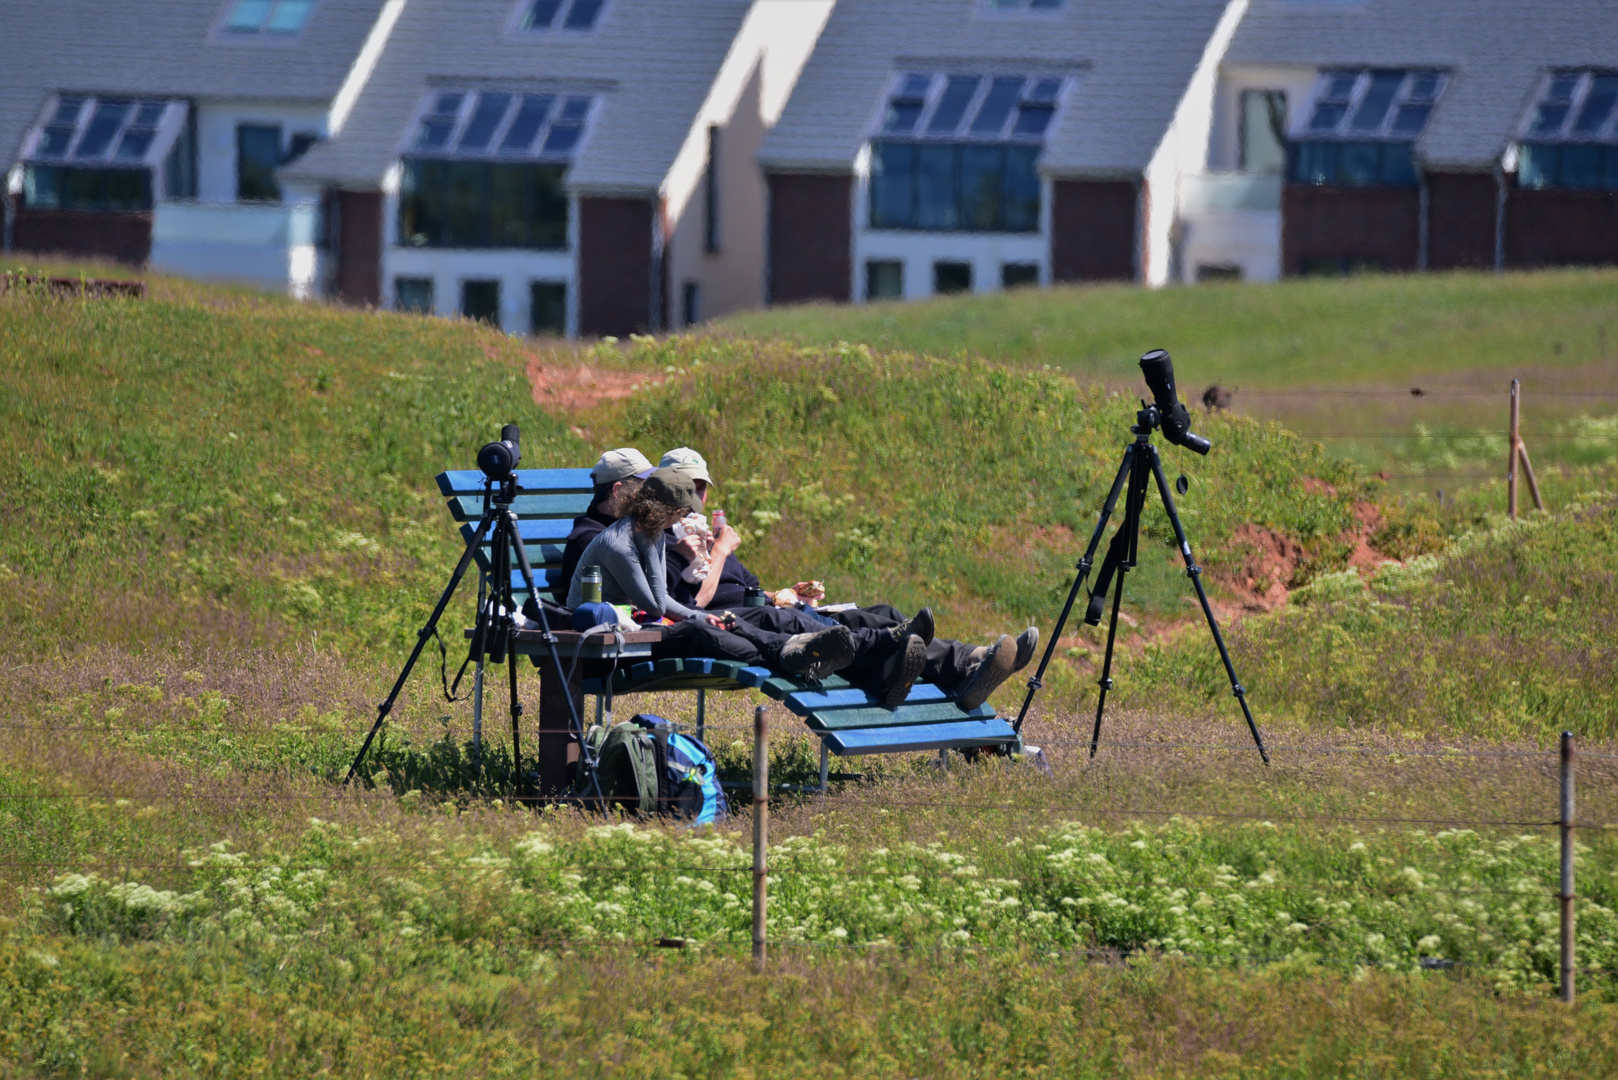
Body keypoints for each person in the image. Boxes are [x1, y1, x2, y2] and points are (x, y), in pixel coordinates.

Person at [655, 447, 1036, 710]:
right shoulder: (664, 546)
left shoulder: (709, 536)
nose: (695, 496)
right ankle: (922, 669)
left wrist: (787, 591)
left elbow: (752, 588)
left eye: (701, 487)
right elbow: (690, 607)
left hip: (774, 612)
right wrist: (717, 553)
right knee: (831, 630)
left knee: (878, 612)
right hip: (747, 627)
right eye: (687, 487)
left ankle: (969, 662)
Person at [567, 468, 931, 704]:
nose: (684, 518)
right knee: (711, 628)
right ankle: (798, 651)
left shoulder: (651, 532)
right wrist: (699, 616)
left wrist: (705, 616)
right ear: (661, 509)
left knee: (740, 620)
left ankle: (868, 645)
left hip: (645, 628)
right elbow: (659, 605)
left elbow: (661, 602)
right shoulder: (618, 544)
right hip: (615, 643)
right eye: (679, 512)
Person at [557, 447, 655, 603]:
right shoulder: (590, 541)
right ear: (618, 490)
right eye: (644, 487)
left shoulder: (625, 532)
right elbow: (649, 596)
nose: (651, 493)